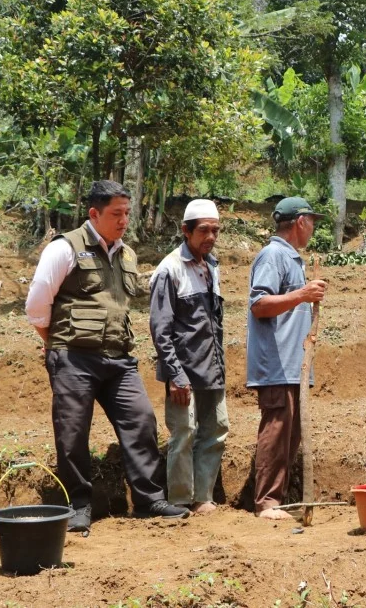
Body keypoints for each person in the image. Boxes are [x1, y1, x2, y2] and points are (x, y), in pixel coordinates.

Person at [25, 180, 189, 533]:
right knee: (72, 434)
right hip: (73, 358)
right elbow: (37, 306)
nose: (124, 220)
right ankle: (79, 505)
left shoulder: (127, 254)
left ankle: (148, 499)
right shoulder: (64, 248)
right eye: (116, 214)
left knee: (141, 421)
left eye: (127, 213)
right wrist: (57, 342)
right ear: (94, 214)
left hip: (118, 358)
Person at [247, 197, 327, 520]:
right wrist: (303, 295)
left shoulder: (293, 259)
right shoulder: (273, 255)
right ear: (300, 222)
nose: (313, 228)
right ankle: (266, 501)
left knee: (289, 435)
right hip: (275, 364)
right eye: (312, 221)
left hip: (293, 364)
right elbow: (259, 303)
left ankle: (276, 498)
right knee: (277, 430)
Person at [150, 199, 228, 516]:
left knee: (216, 429)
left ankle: (203, 496)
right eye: (204, 230)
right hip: (183, 370)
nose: (210, 236)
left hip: (211, 366)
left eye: (215, 230)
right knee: (184, 433)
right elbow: (160, 328)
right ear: (186, 231)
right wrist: (175, 375)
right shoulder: (169, 269)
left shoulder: (212, 266)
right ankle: (181, 500)